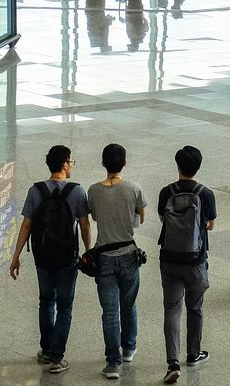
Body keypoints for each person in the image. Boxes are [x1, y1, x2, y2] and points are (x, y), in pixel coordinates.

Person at [9, 145, 93, 374]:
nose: (72, 165)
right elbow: (84, 224)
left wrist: (15, 256)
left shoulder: (35, 191)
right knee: (65, 306)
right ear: (65, 164)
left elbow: (26, 225)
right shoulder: (77, 191)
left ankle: (46, 350)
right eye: (72, 161)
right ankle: (57, 358)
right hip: (67, 258)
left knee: (46, 300)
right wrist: (89, 251)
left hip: (42, 257)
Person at [87, 144, 147, 380]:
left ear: (103, 163)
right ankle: (129, 347)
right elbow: (141, 217)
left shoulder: (93, 190)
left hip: (104, 257)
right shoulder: (133, 188)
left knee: (110, 311)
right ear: (124, 163)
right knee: (129, 304)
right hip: (129, 255)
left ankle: (113, 363)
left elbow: (93, 216)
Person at [158, 146, 217, 384]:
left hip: (169, 259)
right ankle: (193, 353)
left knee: (172, 309)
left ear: (178, 165)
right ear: (198, 167)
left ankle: (172, 362)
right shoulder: (206, 194)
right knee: (195, 307)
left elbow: (164, 219)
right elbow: (210, 224)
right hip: (196, 260)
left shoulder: (166, 192)